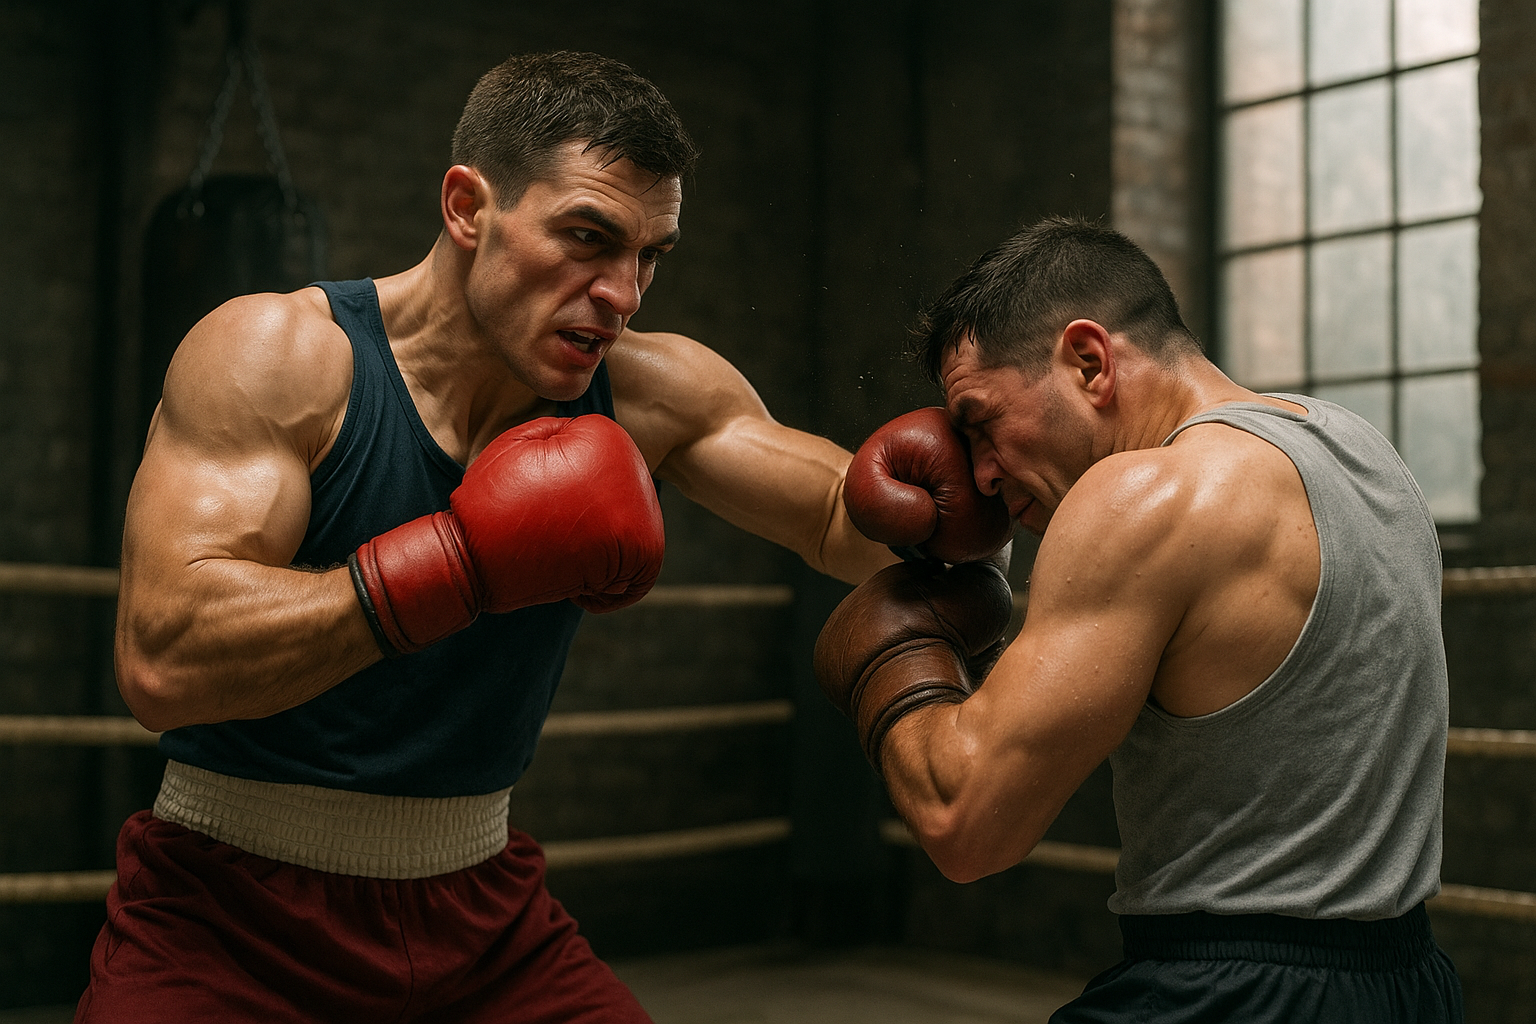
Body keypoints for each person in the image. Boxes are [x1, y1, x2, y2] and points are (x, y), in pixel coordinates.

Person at [81, 50, 1006, 1023]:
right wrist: (457, 563)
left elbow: (836, 517)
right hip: (227, 920)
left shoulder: (652, 390)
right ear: (468, 208)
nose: (624, 293)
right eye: (588, 237)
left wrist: (970, 500)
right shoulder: (281, 358)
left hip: (484, 924)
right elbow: (164, 657)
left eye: (651, 254)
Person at [815, 216, 1464, 1023]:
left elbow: (965, 823)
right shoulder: (1366, 455)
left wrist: (893, 647)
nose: (980, 476)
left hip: (1228, 997)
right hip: (1410, 985)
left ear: (1089, 361)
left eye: (982, 424)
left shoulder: (1142, 497)